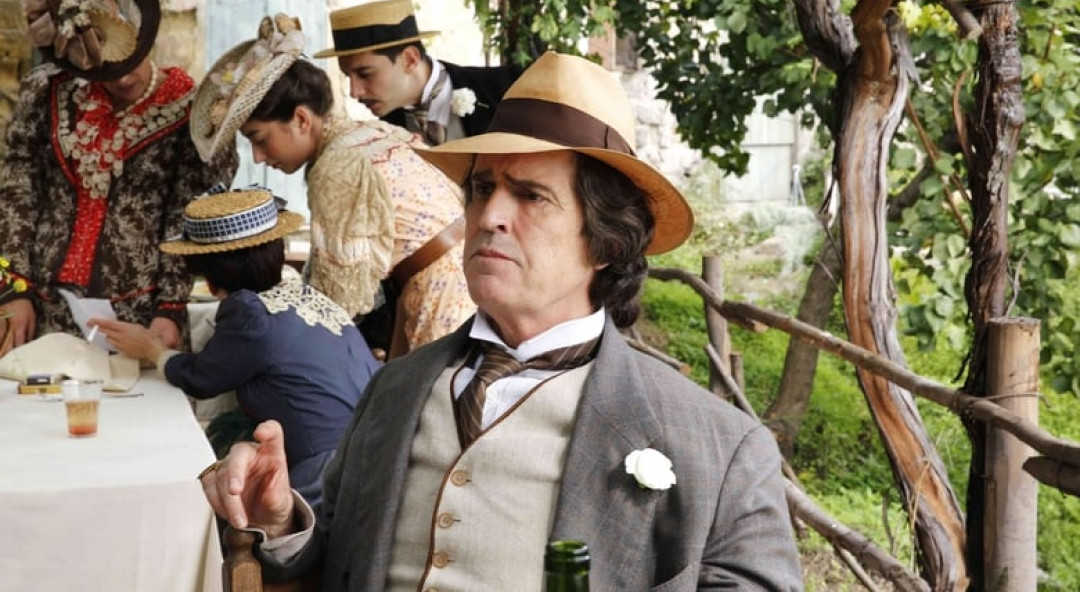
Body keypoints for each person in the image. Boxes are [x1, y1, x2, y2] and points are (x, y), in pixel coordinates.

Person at [199, 52, 803, 590]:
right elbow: (337, 558)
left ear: (608, 241)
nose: (489, 216)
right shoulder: (393, 390)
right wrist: (282, 519)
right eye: (483, 188)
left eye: (531, 195)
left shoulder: (719, 450)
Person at [191, 15, 474, 358]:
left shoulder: (337, 167)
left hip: (441, 298)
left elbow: (335, 303)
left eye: (259, 139)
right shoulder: (370, 134)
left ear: (301, 119)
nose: (258, 157)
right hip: (461, 277)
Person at [92, 187, 379, 509]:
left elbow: (203, 377)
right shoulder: (306, 296)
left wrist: (151, 349)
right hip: (376, 450)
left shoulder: (251, 311)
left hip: (325, 472)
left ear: (212, 274)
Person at [0, 0, 237, 355]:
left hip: (142, 319)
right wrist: (13, 288)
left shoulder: (187, 111)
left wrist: (171, 307)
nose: (124, 79)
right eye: (105, 71)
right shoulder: (46, 91)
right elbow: (17, 192)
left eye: (132, 62)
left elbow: (188, 216)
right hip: (43, 307)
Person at [315, 0, 524, 146]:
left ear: (410, 59)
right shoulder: (384, 136)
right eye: (348, 76)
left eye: (365, 74)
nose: (354, 92)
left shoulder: (509, 88)